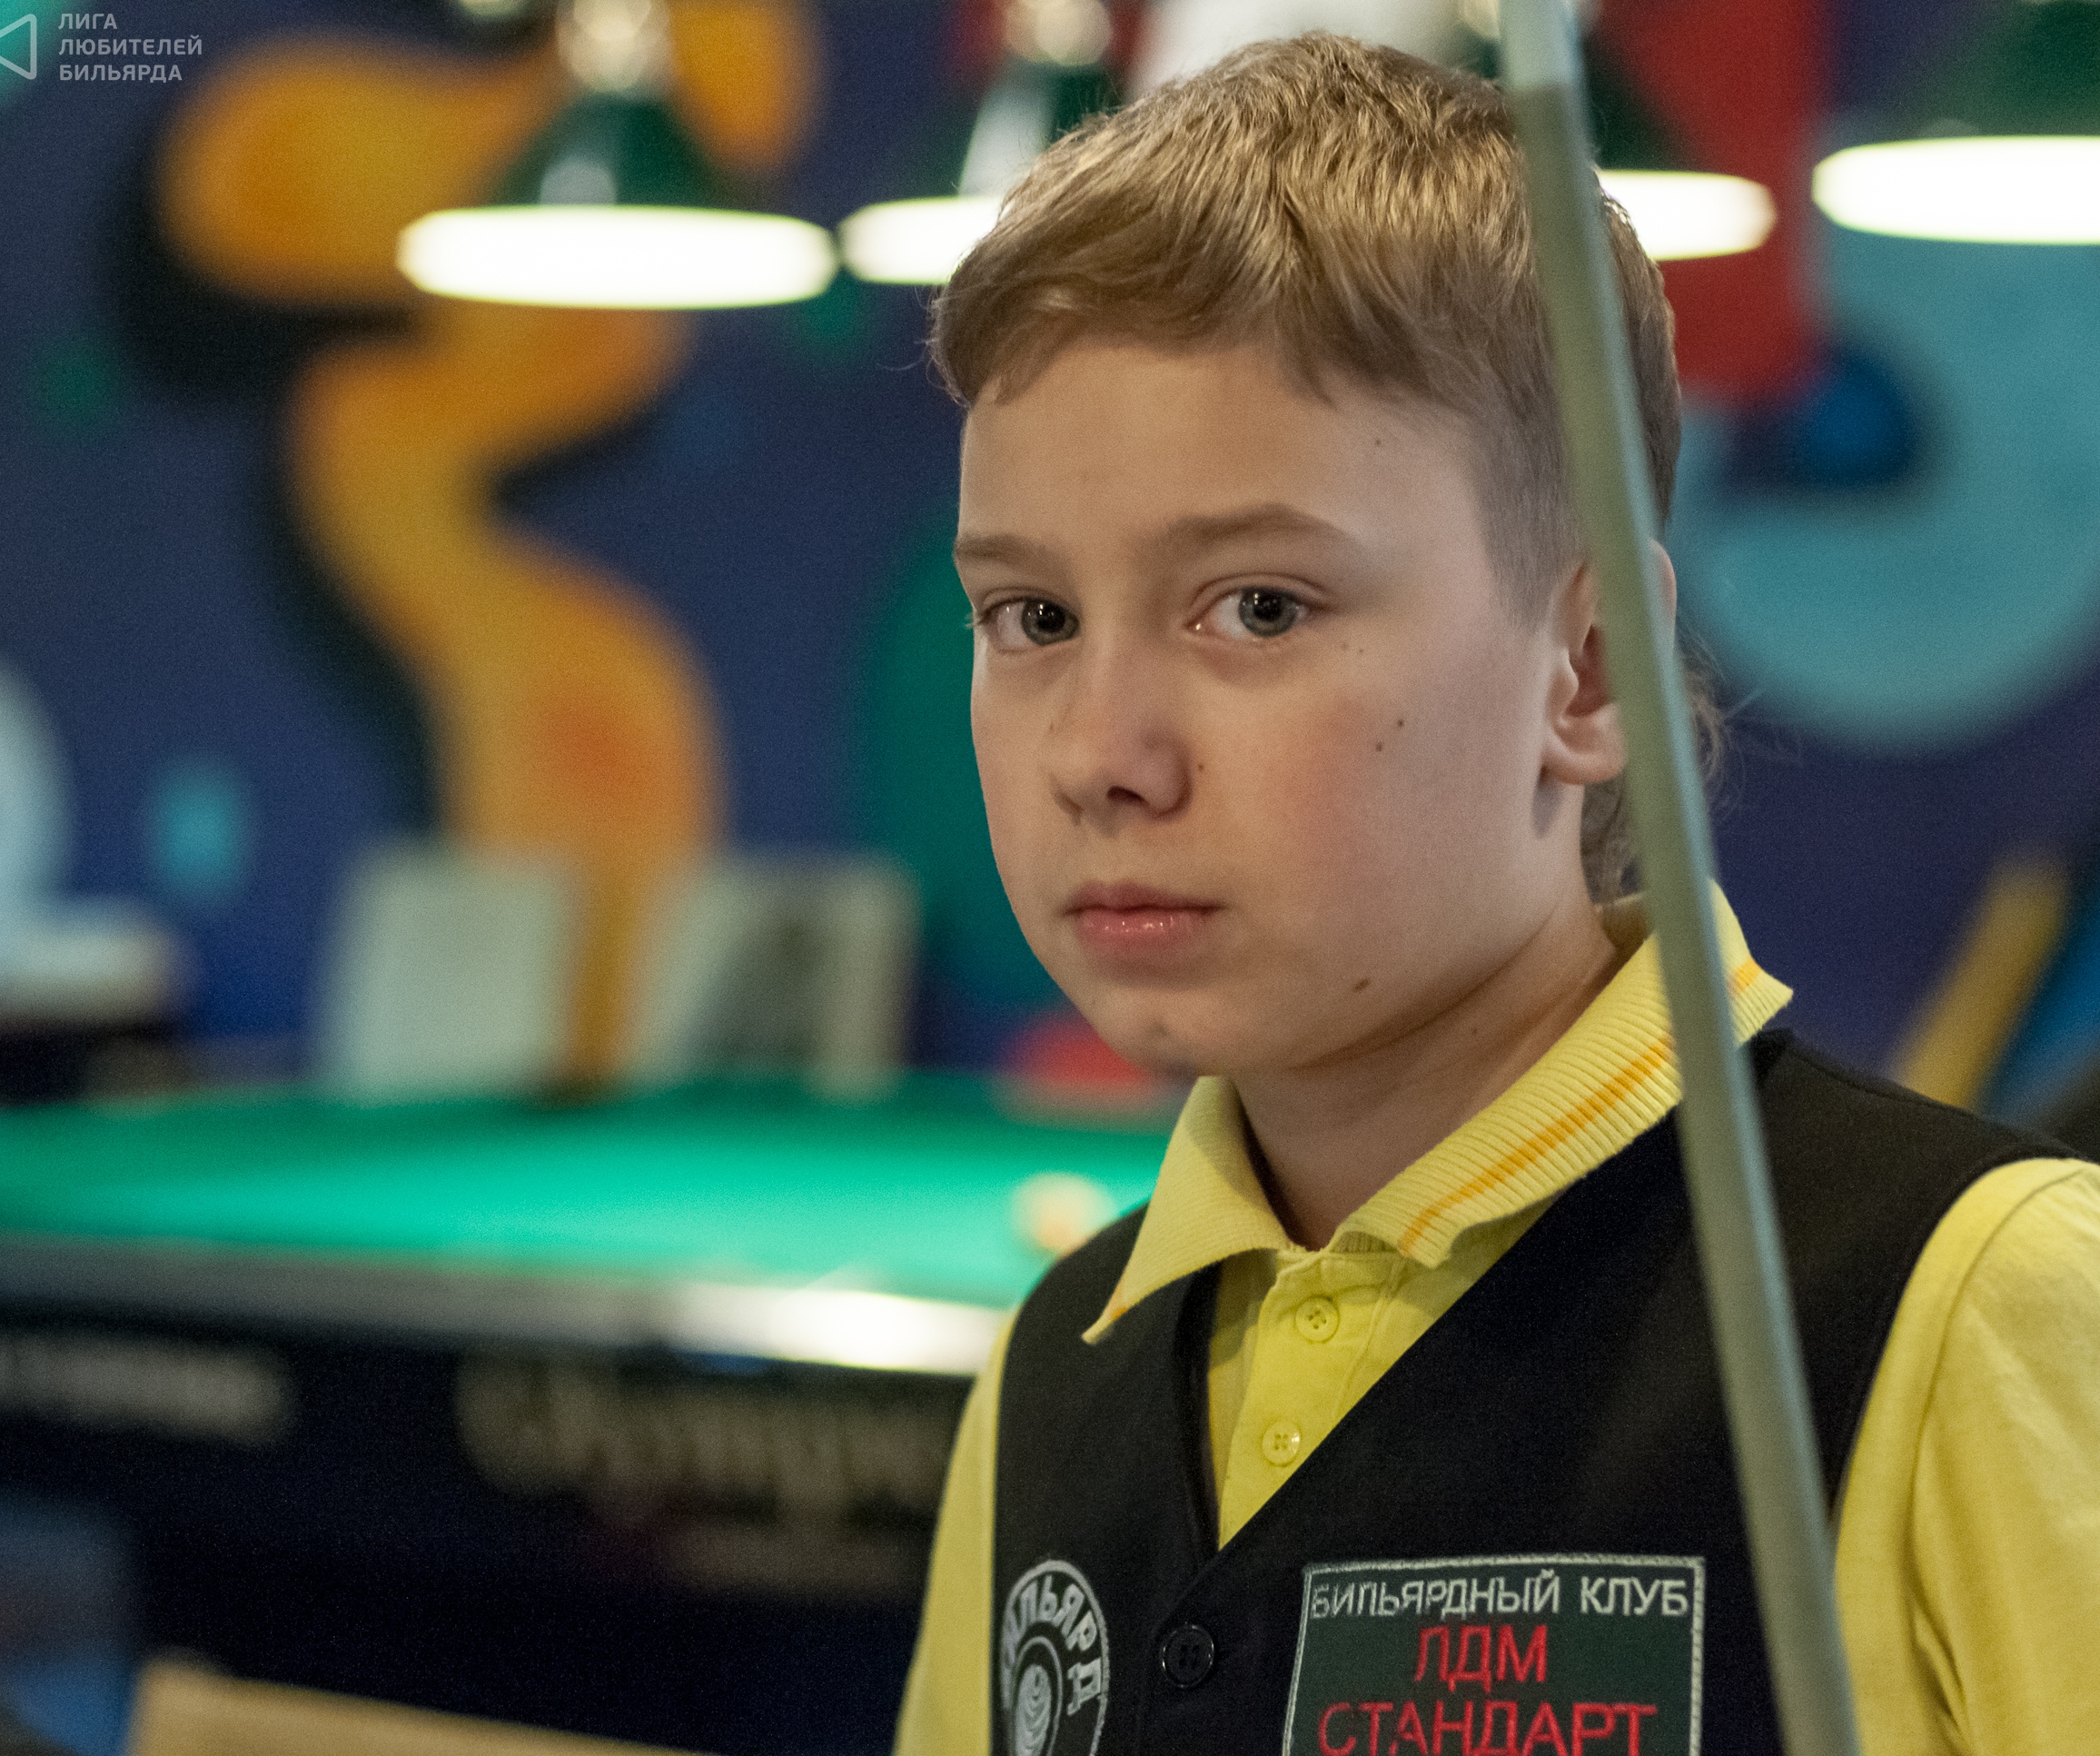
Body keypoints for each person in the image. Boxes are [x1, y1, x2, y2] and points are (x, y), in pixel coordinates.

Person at [894, 33, 2100, 1756]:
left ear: (1590, 669)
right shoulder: (1055, 1368)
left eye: (1258, 607)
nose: (1101, 752)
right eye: (1033, 618)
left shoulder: (1980, 1302)